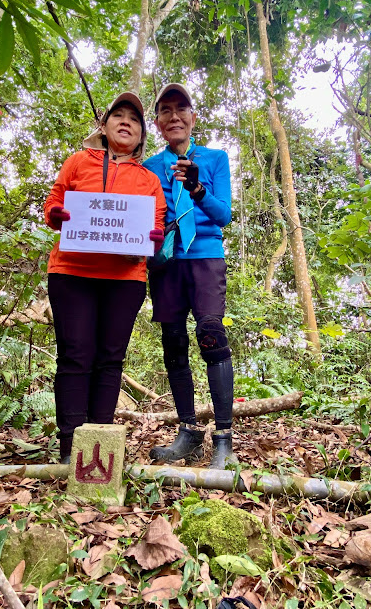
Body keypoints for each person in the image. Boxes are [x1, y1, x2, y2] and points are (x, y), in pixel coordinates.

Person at [44, 92, 166, 464]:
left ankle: (96, 451)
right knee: (75, 356)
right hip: (72, 272)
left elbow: (156, 223)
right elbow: (53, 202)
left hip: (125, 278)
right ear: (105, 123)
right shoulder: (78, 162)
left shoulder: (148, 180)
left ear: (142, 134)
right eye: (119, 115)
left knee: (110, 359)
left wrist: (153, 237)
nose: (126, 121)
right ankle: (69, 449)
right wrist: (58, 214)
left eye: (135, 118)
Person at [143, 83, 236, 470]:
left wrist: (197, 188)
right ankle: (188, 433)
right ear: (159, 123)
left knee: (211, 334)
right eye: (166, 110)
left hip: (205, 258)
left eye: (182, 109)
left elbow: (223, 215)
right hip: (166, 263)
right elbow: (143, 214)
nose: (174, 116)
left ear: (193, 117)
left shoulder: (215, 158)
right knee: (173, 341)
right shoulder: (149, 166)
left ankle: (224, 439)